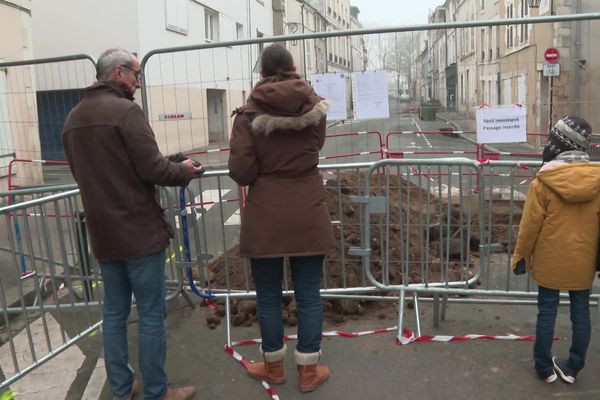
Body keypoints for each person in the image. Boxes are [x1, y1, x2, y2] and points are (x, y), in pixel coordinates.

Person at [62, 48, 201, 400]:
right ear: (119, 72)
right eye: (137, 75)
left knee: (114, 313)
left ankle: (122, 390)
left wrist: (165, 162)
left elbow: (103, 170)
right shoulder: (126, 112)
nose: (139, 82)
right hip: (139, 233)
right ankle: (157, 392)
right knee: (152, 314)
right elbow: (151, 169)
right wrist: (183, 171)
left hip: (104, 234)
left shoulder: (73, 119)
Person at [227, 44, 336, 393]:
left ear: (261, 72)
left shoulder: (248, 115)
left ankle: (274, 367)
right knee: (309, 293)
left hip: (266, 215)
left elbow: (242, 172)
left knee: (269, 295)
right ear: (292, 68)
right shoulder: (314, 108)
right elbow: (315, 148)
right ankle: (307, 371)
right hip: (307, 208)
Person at [512, 115, 600, 385]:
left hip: (550, 260)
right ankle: (573, 367)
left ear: (558, 144)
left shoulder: (544, 181)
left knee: (547, 311)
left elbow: (529, 227)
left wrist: (520, 256)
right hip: (583, 261)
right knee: (581, 312)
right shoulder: (597, 181)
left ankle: (544, 367)